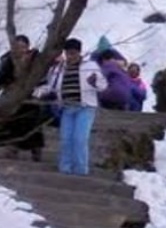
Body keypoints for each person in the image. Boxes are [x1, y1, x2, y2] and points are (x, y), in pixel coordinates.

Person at [39, 38, 106, 175]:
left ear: (79, 53)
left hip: (85, 107)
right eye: (68, 53)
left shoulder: (90, 66)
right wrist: (38, 92)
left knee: (80, 139)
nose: (71, 56)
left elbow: (103, 85)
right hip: (67, 107)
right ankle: (65, 168)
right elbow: (51, 86)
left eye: (74, 53)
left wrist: (94, 82)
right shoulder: (58, 69)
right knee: (65, 139)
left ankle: (81, 170)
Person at [0, 35, 46, 161]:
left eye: (23, 47)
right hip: (13, 96)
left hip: (31, 96)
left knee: (33, 124)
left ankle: (36, 151)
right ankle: (11, 148)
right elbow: (2, 78)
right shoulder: (8, 59)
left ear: (27, 47)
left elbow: (42, 77)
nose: (20, 50)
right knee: (12, 122)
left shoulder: (35, 59)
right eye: (17, 47)